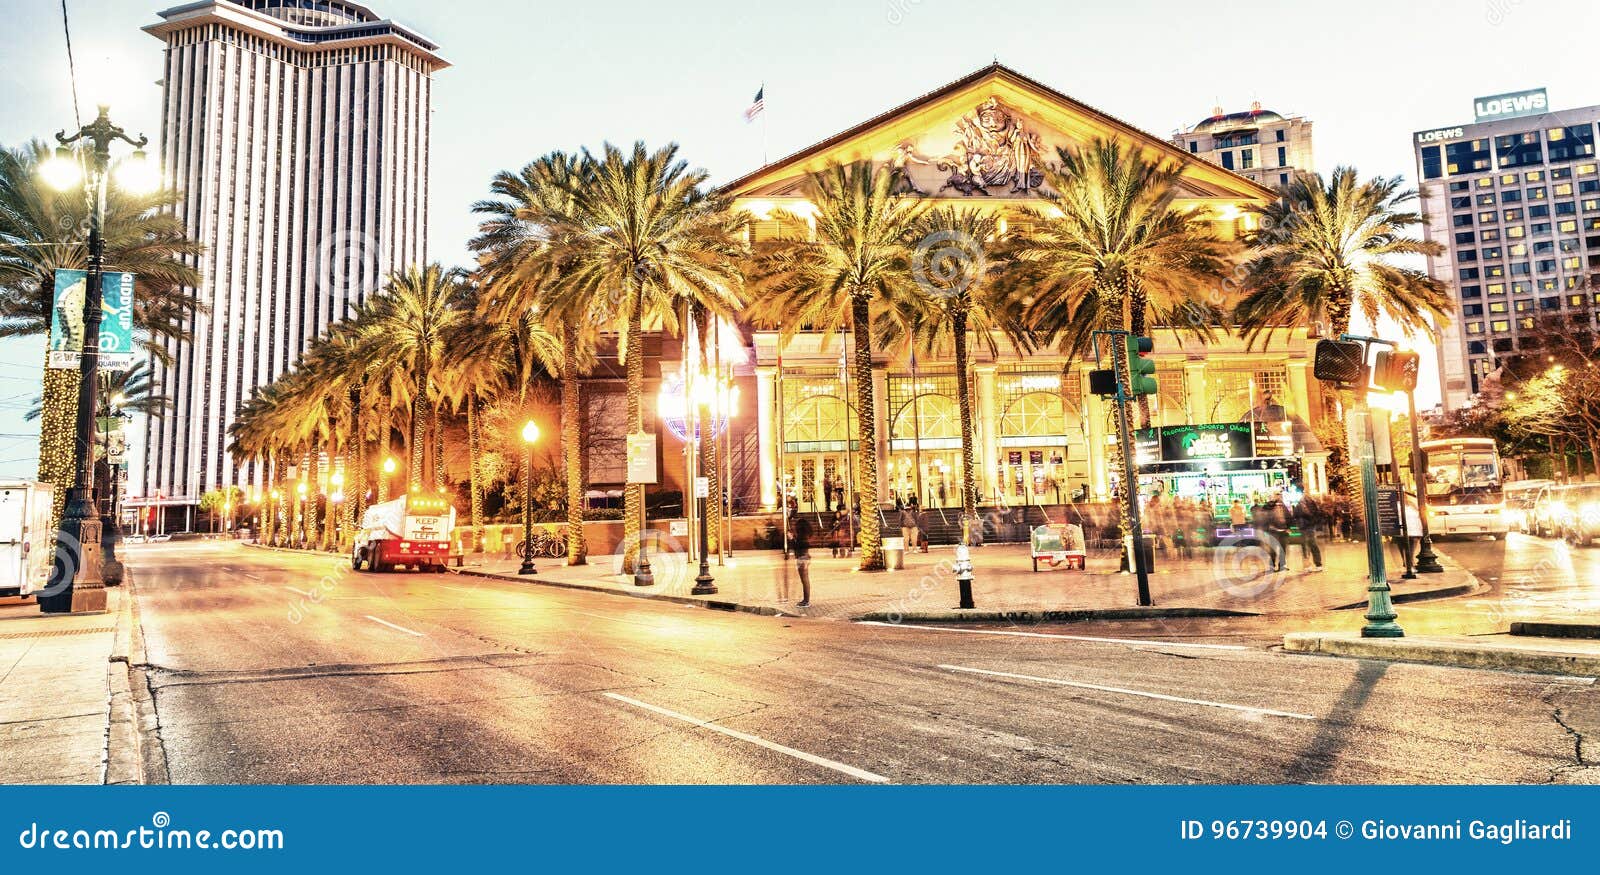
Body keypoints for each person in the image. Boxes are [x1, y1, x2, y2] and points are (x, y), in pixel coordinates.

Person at [1293, 497, 1324, 572]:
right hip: (1308, 527)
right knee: (1312, 545)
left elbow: (1295, 516)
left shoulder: (1300, 505)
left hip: (1305, 527)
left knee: (1307, 546)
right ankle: (1316, 565)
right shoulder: (1311, 504)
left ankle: (1309, 566)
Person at [790, 513, 813, 607]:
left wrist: (791, 539)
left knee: (805, 580)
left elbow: (797, 547)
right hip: (804, 558)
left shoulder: (802, 538)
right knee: (805, 580)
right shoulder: (804, 536)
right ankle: (805, 600)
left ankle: (806, 601)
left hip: (802, 558)